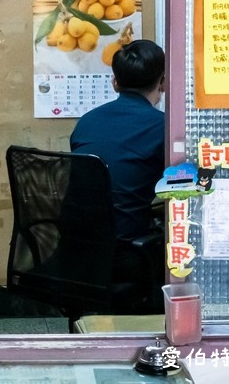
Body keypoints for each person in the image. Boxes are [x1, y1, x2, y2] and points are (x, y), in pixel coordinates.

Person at [70, 39, 166, 241]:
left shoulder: (87, 122)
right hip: (127, 245)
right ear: (163, 83)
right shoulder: (163, 126)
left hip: (76, 244)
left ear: (115, 83)